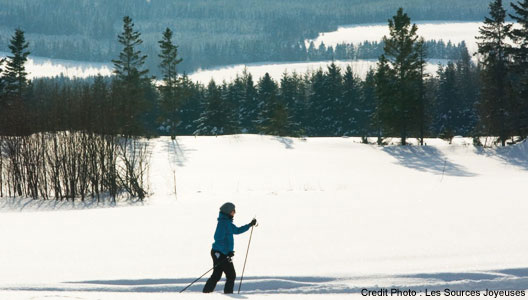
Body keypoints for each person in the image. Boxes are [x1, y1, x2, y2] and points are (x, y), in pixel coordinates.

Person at [202, 202, 257, 294]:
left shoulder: (227, 222)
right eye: (233, 211)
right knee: (231, 275)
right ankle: (228, 295)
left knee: (216, 275)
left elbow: (237, 230)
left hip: (220, 253)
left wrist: (250, 225)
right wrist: (226, 252)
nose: (234, 212)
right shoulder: (223, 223)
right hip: (219, 253)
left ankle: (206, 294)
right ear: (228, 211)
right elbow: (218, 238)